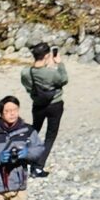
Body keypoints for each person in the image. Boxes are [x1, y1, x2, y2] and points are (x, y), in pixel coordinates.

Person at [20, 42, 68, 175]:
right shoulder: (51, 74)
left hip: (37, 105)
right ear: (47, 56)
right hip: (55, 105)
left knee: (34, 131)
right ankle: (38, 167)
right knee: (50, 136)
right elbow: (63, 79)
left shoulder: (26, 72)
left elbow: (27, 85)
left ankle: (23, 160)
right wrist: (59, 64)